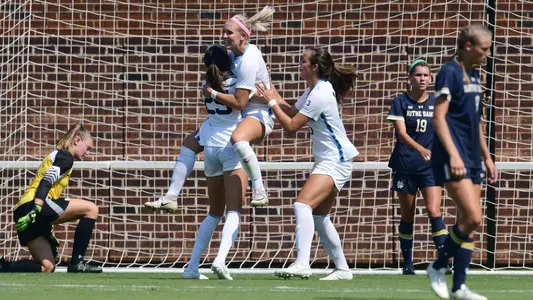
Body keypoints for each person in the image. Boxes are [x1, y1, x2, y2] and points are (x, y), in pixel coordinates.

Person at [145, 6, 275, 211]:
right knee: (189, 145)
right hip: (229, 119)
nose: (223, 36)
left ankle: (259, 188)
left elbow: (241, 102)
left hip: (256, 113)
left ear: (243, 35)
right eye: (223, 31)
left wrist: (212, 93)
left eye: (228, 32)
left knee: (239, 141)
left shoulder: (248, 60)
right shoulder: (233, 55)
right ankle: (171, 196)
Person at [255, 46, 358, 280]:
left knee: (302, 205)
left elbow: (291, 127)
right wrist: (272, 93)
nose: (299, 65)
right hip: (331, 159)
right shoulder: (313, 89)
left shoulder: (321, 92)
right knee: (319, 216)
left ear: (315, 67)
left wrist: (271, 103)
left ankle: (302, 263)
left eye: (303, 61)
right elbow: (290, 111)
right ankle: (342, 269)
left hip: (336, 160)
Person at [426, 24, 497, 300]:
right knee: (474, 217)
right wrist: (454, 154)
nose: (488, 54)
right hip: (452, 157)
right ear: (468, 47)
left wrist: (488, 158)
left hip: (472, 157)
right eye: (485, 48)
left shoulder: (476, 74)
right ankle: (438, 266)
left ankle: (459, 288)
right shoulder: (450, 72)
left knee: (466, 223)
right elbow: (439, 117)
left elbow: (475, 122)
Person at [182, 45, 247, 280]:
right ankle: (220, 259)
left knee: (213, 212)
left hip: (210, 149)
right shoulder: (235, 82)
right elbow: (242, 101)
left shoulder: (205, 84)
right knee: (235, 210)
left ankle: (192, 266)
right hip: (230, 146)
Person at [0, 124, 101, 273]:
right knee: (91, 209)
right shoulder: (66, 157)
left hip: (22, 209)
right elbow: (46, 181)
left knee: (48, 267)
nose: (88, 153)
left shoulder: (57, 155)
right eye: (87, 148)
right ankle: (77, 263)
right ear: (77, 140)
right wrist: (37, 208)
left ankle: (2, 267)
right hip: (35, 205)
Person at [387, 59, 447, 275]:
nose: (422, 78)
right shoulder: (401, 102)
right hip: (406, 165)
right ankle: (408, 263)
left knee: (434, 210)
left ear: (430, 79)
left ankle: (443, 261)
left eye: (425, 75)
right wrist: (420, 148)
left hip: (430, 167)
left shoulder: (437, 103)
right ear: (409, 79)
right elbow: (401, 134)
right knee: (408, 215)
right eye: (418, 75)